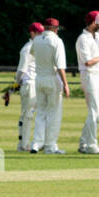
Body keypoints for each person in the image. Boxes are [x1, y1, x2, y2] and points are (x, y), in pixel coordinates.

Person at [28, 17, 70, 154]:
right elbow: (60, 66)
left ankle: (36, 143)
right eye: (57, 28)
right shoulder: (57, 41)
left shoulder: (37, 40)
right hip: (52, 78)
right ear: (53, 28)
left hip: (39, 79)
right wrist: (66, 84)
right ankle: (50, 146)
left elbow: (32, 53)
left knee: (40, 112)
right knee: (53, 113)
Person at [75, 11, 99, 154]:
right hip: (89, 76)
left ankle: (84, 142)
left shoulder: (98, 37)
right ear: (93, 22)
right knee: (94, 111)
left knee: (97, 112)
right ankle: (91, 144)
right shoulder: (82, 39)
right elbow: (87, 62)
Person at [14, 22, 42, 152]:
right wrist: (16, 84)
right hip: (30, 84)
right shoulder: (28, 48)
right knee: (27, 115)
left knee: (28, 115)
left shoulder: (37, 47)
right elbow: (22, 70)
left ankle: (26, 144)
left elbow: (22, 71)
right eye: (39, 33)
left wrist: (15, 84)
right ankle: (24, 144)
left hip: (33, 85)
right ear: (32, 33)